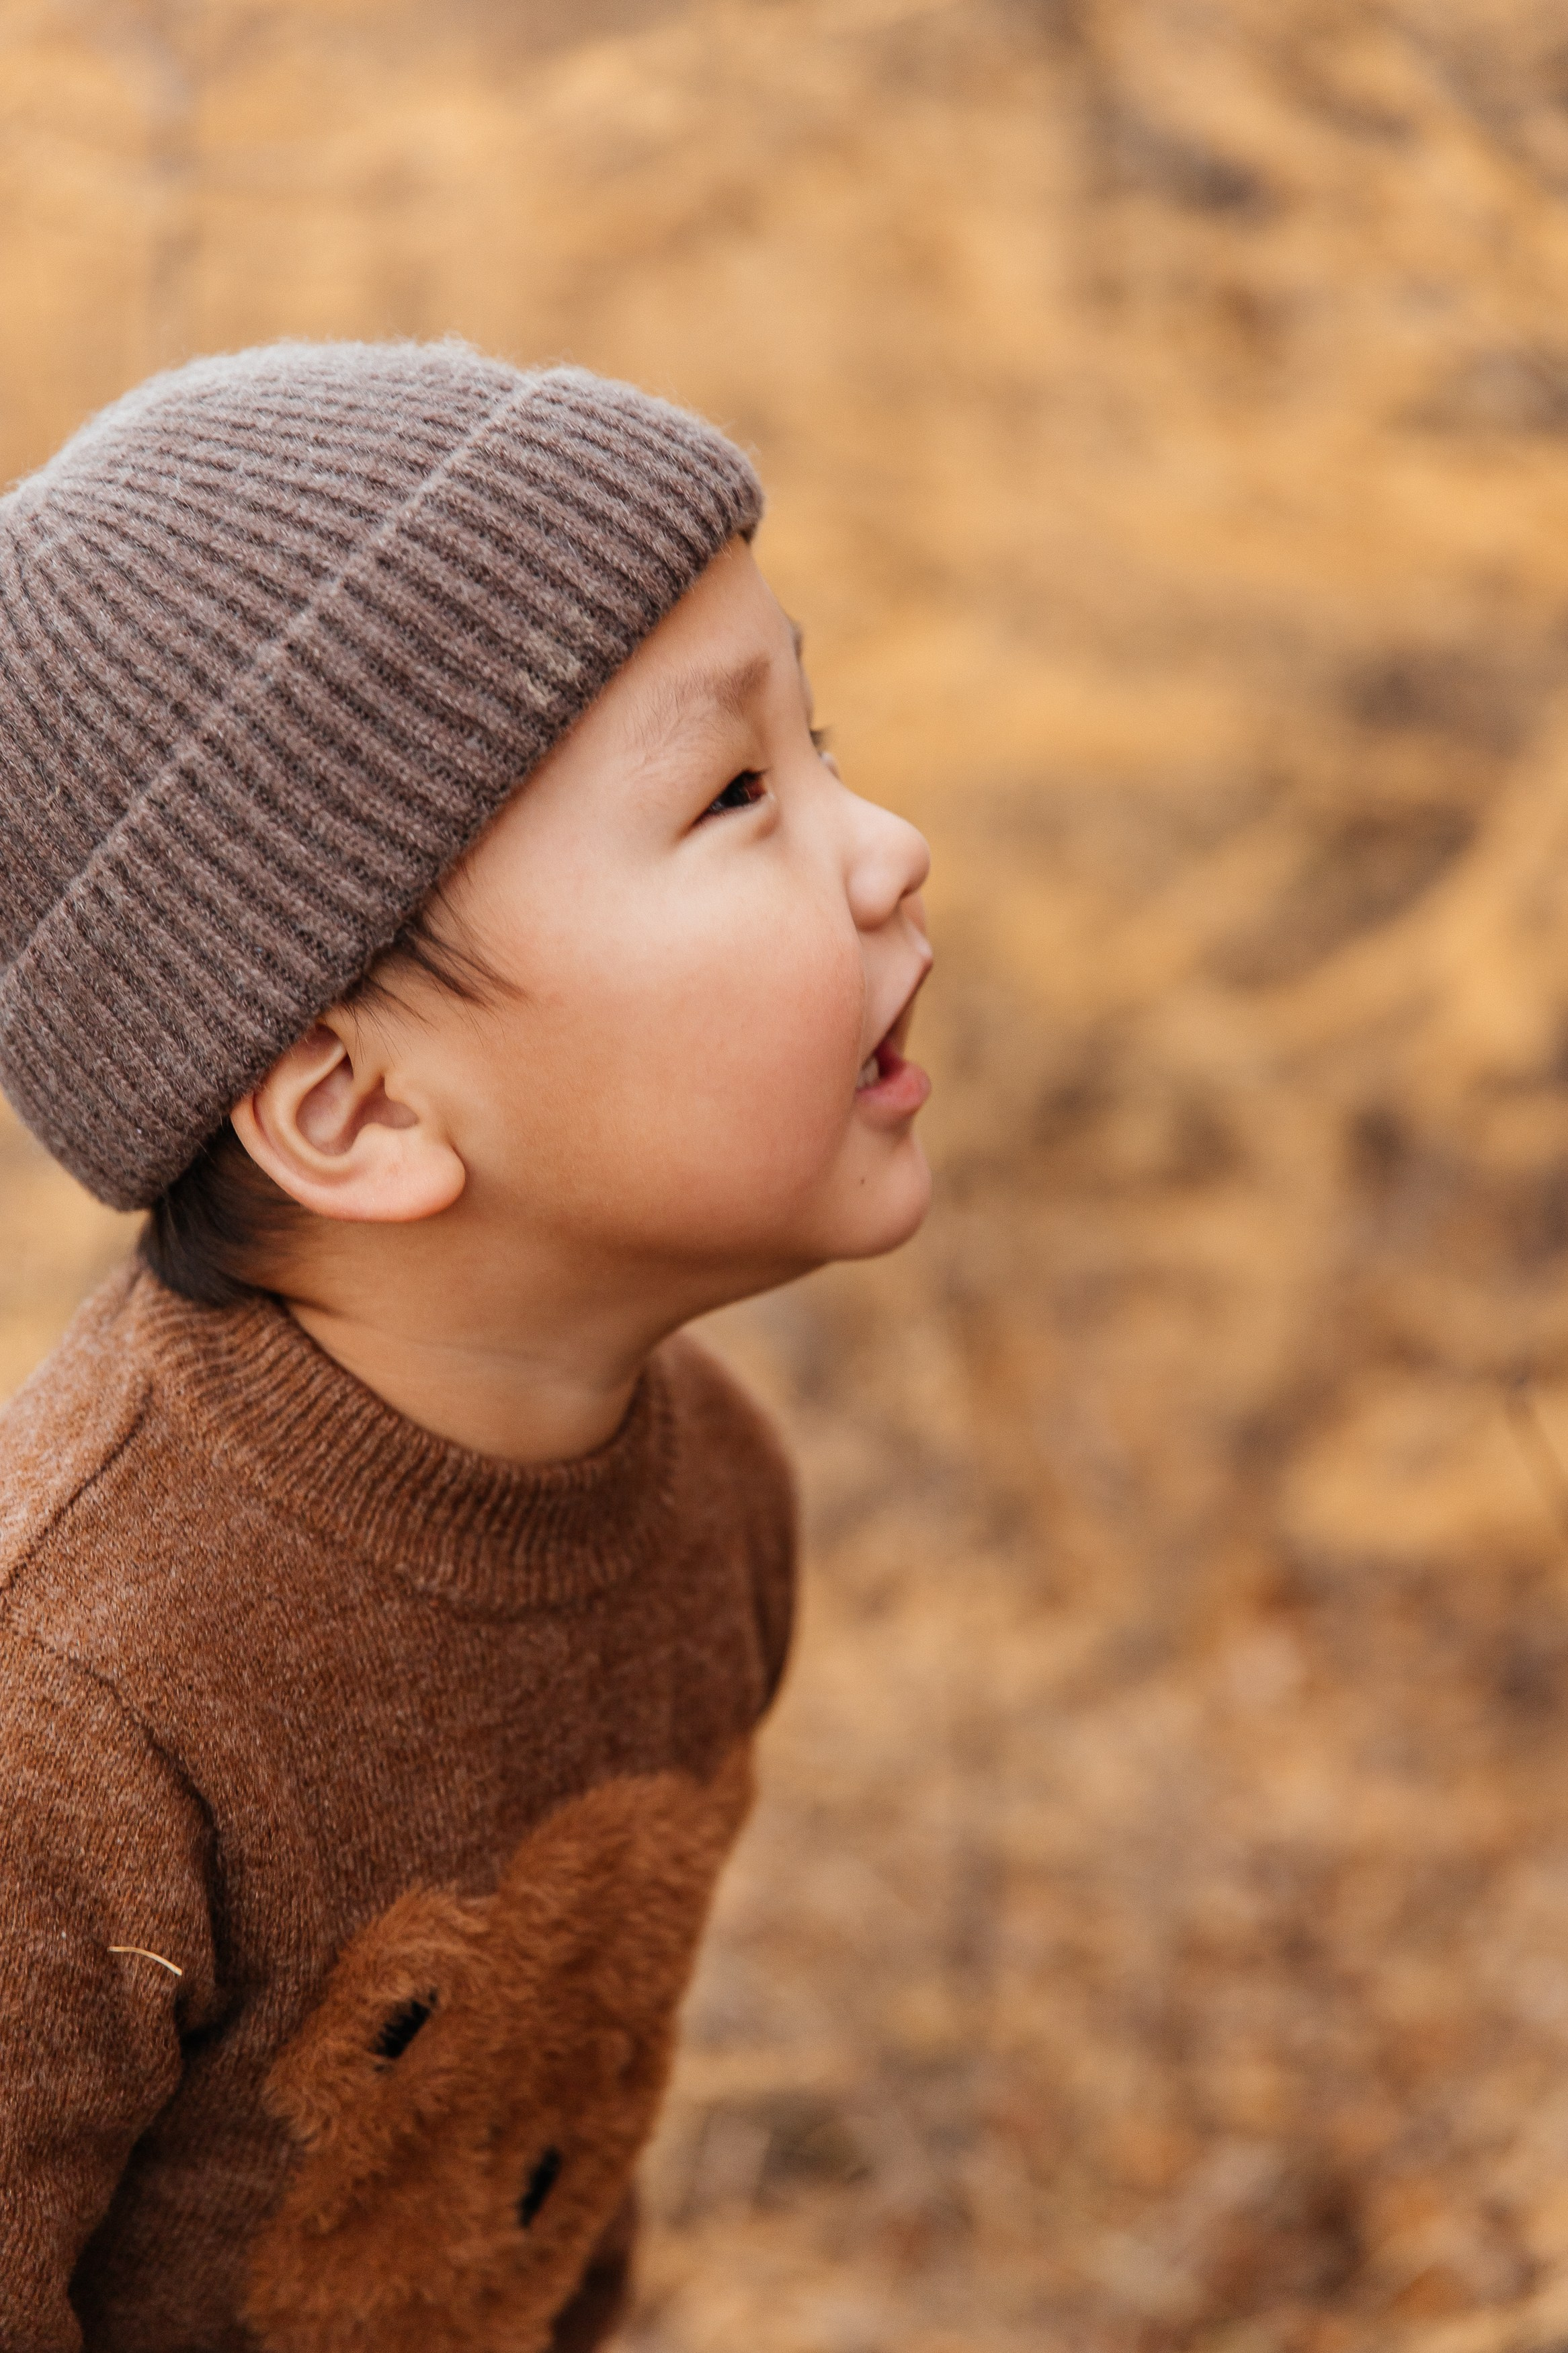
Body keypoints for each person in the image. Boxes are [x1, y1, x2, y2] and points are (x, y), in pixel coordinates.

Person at [0, 339, 933, 2353]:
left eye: (822, 737)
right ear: (357, 1111)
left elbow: (546, 2192)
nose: (888, 846)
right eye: (738, 793)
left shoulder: (705, 1486)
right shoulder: (65, 1717)